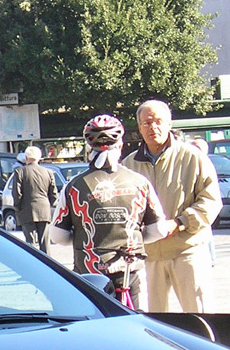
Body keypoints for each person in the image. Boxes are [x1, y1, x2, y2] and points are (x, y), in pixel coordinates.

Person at [50, 115, 173, 310]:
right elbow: (159, 230)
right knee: (136, 326)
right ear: (121, 143)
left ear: (88, 146)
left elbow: (57, 236)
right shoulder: (140, 182)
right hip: (130, 271)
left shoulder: (73, 187)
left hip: (89, 272)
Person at [122, 100, 222, 312]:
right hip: (148, 258)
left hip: (187, 252)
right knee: (152, 324)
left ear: (169, 124)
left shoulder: (193, 158)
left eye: (158, 121)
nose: (153, 127)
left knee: (200, 317)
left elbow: (211, 201)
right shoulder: (128, 165)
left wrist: (180, 223)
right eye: (146, 123)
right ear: (139, 127)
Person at [9, 145, 57, 253]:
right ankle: (48, 266)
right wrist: (50, 205)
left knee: (31, 243)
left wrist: (17, 207)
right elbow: (53, 193)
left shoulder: (19, 172)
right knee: (45, 243)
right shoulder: (48, 172)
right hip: (44, 209)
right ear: (39, 158)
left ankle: (34, 265)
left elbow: (16, 193)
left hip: (27, 210)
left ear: (26, 158)